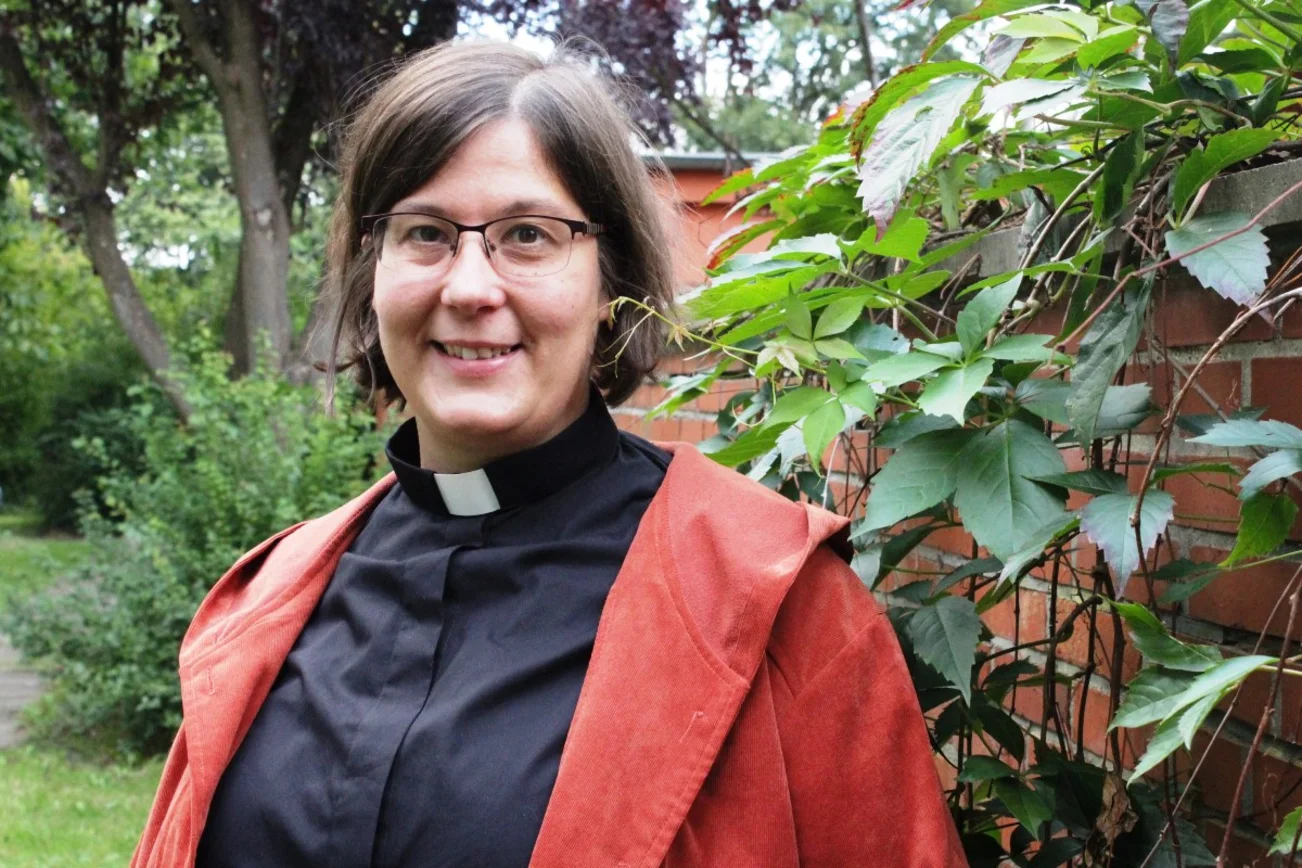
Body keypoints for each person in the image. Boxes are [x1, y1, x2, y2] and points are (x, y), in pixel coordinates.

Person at [132, 39, 965, 868]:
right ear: (371, 272)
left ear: (611, 284)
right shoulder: (266, 600)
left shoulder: (777, 603)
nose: (469, 287)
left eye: (527, 234)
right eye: (424, 233)